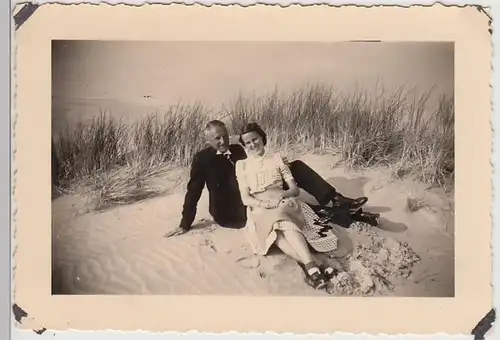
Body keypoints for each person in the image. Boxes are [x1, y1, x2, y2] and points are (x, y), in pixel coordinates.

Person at [165, 120, 368, 239]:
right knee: (291, 207)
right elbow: (193, 192)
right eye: (217, 138)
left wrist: (280, 164)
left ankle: (335, 199)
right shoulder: (202, 159)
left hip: (258, 193)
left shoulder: (238, 149)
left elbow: (260, 164)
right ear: (208, 140)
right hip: (232, 210)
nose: (222, 141)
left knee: (294, 166)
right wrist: (185, 223)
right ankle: (342, 215)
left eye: (225, 136)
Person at [236, 122, 344, 289]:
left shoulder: (277, 159)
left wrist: (281, 196)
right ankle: (315, 264)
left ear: (262, 138)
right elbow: (245, 199)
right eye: (248, 142)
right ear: (244, 145)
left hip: (282, 201)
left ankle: (311, 267)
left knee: (282, 220)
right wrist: (263, 203)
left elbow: (294, 190)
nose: (252, 144)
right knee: (275, 232)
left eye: (255, 139)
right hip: (258, 207)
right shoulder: (241, 165)